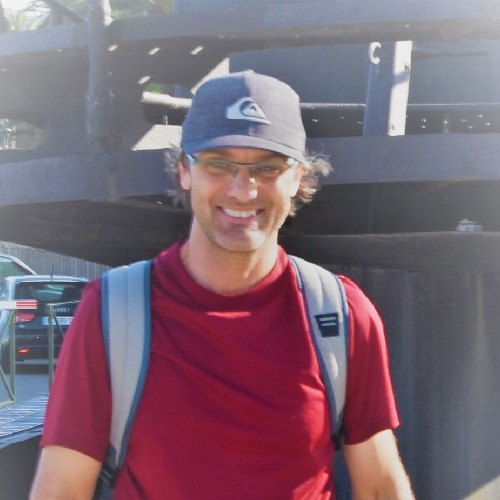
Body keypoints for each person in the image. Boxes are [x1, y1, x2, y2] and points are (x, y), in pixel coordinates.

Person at [30, 70, 414, 500]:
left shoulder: (340, 314)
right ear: (184, 170)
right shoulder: (112, 312)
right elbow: (61, 489)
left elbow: (380, 486)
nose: (243, 190)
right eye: (218, 164)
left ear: (296, 177)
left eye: (267, 167)